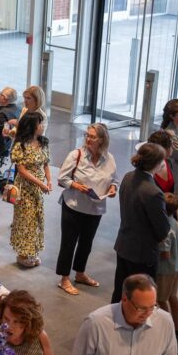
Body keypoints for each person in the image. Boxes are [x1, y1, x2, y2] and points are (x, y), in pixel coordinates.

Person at [56, 123, 118, 296]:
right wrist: (75, 185)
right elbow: (62, 178)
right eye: (87, 135)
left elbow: (115, 180)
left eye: (92, 136)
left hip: (95, 208)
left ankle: (80, 273)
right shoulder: (76, 155)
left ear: (102, 140)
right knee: (68, 243)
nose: (88, 139)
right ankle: (64, 278)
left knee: (86, 243)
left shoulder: (110, 159)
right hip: (74, 207)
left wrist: (113, 188)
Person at [113, 142, 170, 303]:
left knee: (120, 291)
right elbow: (163, 229)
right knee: (140, 297)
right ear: (157, 165)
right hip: (142, 253)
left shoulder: (128, 177)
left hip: (124, 245)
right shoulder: (153, 192)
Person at [10, 111, 51, 269]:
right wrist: (40, 183)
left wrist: (49, 180)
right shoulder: (21, 145)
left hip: (38, 189)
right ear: (32, 126)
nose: (42, 126)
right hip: (25, 189)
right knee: (25, 220)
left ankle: (32, 251)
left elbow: (46, 163)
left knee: (36, 219)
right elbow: (22, 170)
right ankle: (22, 254)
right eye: (39, 123)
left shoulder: (44, 143)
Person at [155, 197, 178, 336]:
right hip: (177, 265)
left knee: (161, 299)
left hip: (166, 270)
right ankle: (177, 326)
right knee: (172, 296)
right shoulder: (175, 222)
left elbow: (165, 254)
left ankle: (168, 327)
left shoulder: (165, 227)